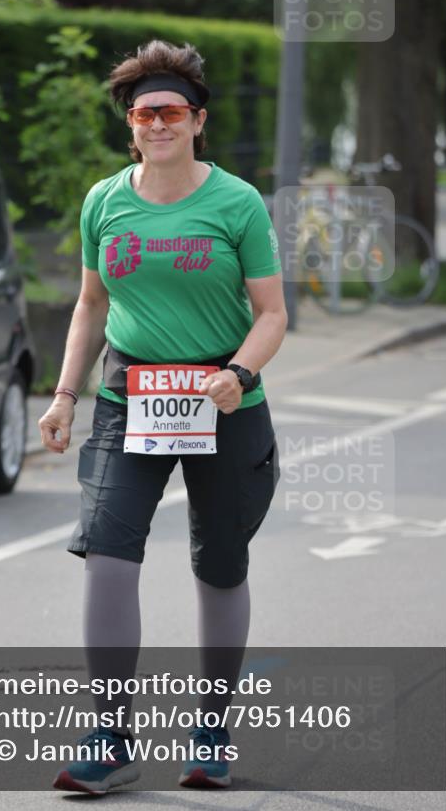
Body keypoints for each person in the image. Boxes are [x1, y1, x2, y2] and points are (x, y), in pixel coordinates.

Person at [38, 40, 287, 794]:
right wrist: (63, 395)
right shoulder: (103, 202)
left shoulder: (236, 203)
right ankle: (111, 735)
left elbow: (273, 312)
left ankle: (210, 731)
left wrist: (239, 372)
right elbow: (90, 304)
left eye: (171, 111)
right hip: (129, 400)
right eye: (144, 113)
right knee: (108, 555)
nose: (157, 123)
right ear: (130, 126)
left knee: (218, 566)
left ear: (197, 120)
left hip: (224, 399)